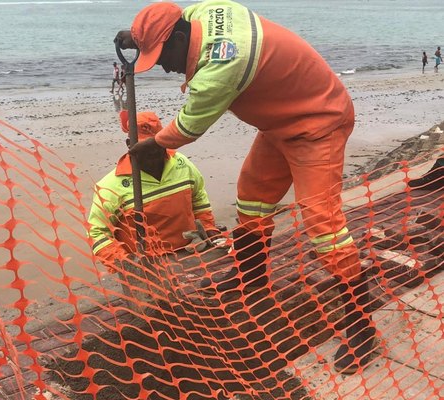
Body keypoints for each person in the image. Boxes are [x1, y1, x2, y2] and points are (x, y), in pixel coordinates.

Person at [114, 0, 377, 375]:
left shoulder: (220, 69)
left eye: (161, 56)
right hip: (280, 123)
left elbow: (189, 127)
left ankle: (361, 325)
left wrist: (153, 145)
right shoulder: (205, 11)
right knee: (252, 198)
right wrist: (140, 40)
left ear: (177, 39)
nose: (163, 66)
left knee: (324, 225)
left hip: (319, 123)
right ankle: (251, 277)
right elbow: (176, 23)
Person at [88, 110, 222, 273]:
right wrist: (125, 263)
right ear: (129, 145)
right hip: (146, 266)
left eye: (156, 146)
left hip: (190, 253)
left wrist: (208, 229)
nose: (151, 153)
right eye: (144, 148)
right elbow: (97, 231)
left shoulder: (183, 165)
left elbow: (199, 199)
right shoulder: (110, 186)